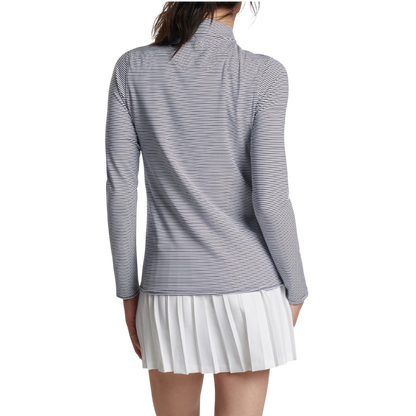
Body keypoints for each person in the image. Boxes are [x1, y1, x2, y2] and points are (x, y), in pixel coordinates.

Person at [104, 1, 311, 415]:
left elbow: (122, 192)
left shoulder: (130, 68)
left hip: (167, 288)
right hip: (251, 287)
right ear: (244, 3)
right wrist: (298, 289)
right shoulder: (266, 72)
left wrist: (127, 294)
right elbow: (271, 197)